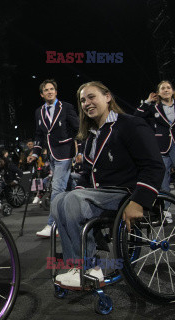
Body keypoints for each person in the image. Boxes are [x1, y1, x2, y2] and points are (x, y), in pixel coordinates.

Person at [52, 81, 164, 289]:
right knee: (59, 199)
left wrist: (138, 202)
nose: (86, 103)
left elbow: (154, 166)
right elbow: (86, 174)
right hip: (100, 194)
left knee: (74, 199)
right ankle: (76, 266)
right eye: (83, 100)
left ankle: (90, 267)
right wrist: (79, 191)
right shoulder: (91, 135)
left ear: (107, 97)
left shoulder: (130, 124)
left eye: (91, 97)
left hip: (126, 193)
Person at [27, 79, 79, 238]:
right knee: (69, 187)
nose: (50, 92)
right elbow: (39, 134)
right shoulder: (39, 111)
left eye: (52, 89)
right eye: (46, 90)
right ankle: (75, 219)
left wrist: (80, 151)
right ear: (42, 94)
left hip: (65, 153)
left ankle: (52, 224)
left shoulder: (67, 107)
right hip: (51, 155)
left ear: (56, 92)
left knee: (57, 188)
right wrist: (35, 153)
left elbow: (78, 129)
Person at [133, 80, 175, 223]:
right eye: (162, 88)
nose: (166, 90)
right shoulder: (153, 108)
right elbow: (136, 117)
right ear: (158, 92)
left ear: (173, 91)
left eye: (168, 87)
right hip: (161, 146)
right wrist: (147, 101)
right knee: (163, 180)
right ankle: (166, 211)